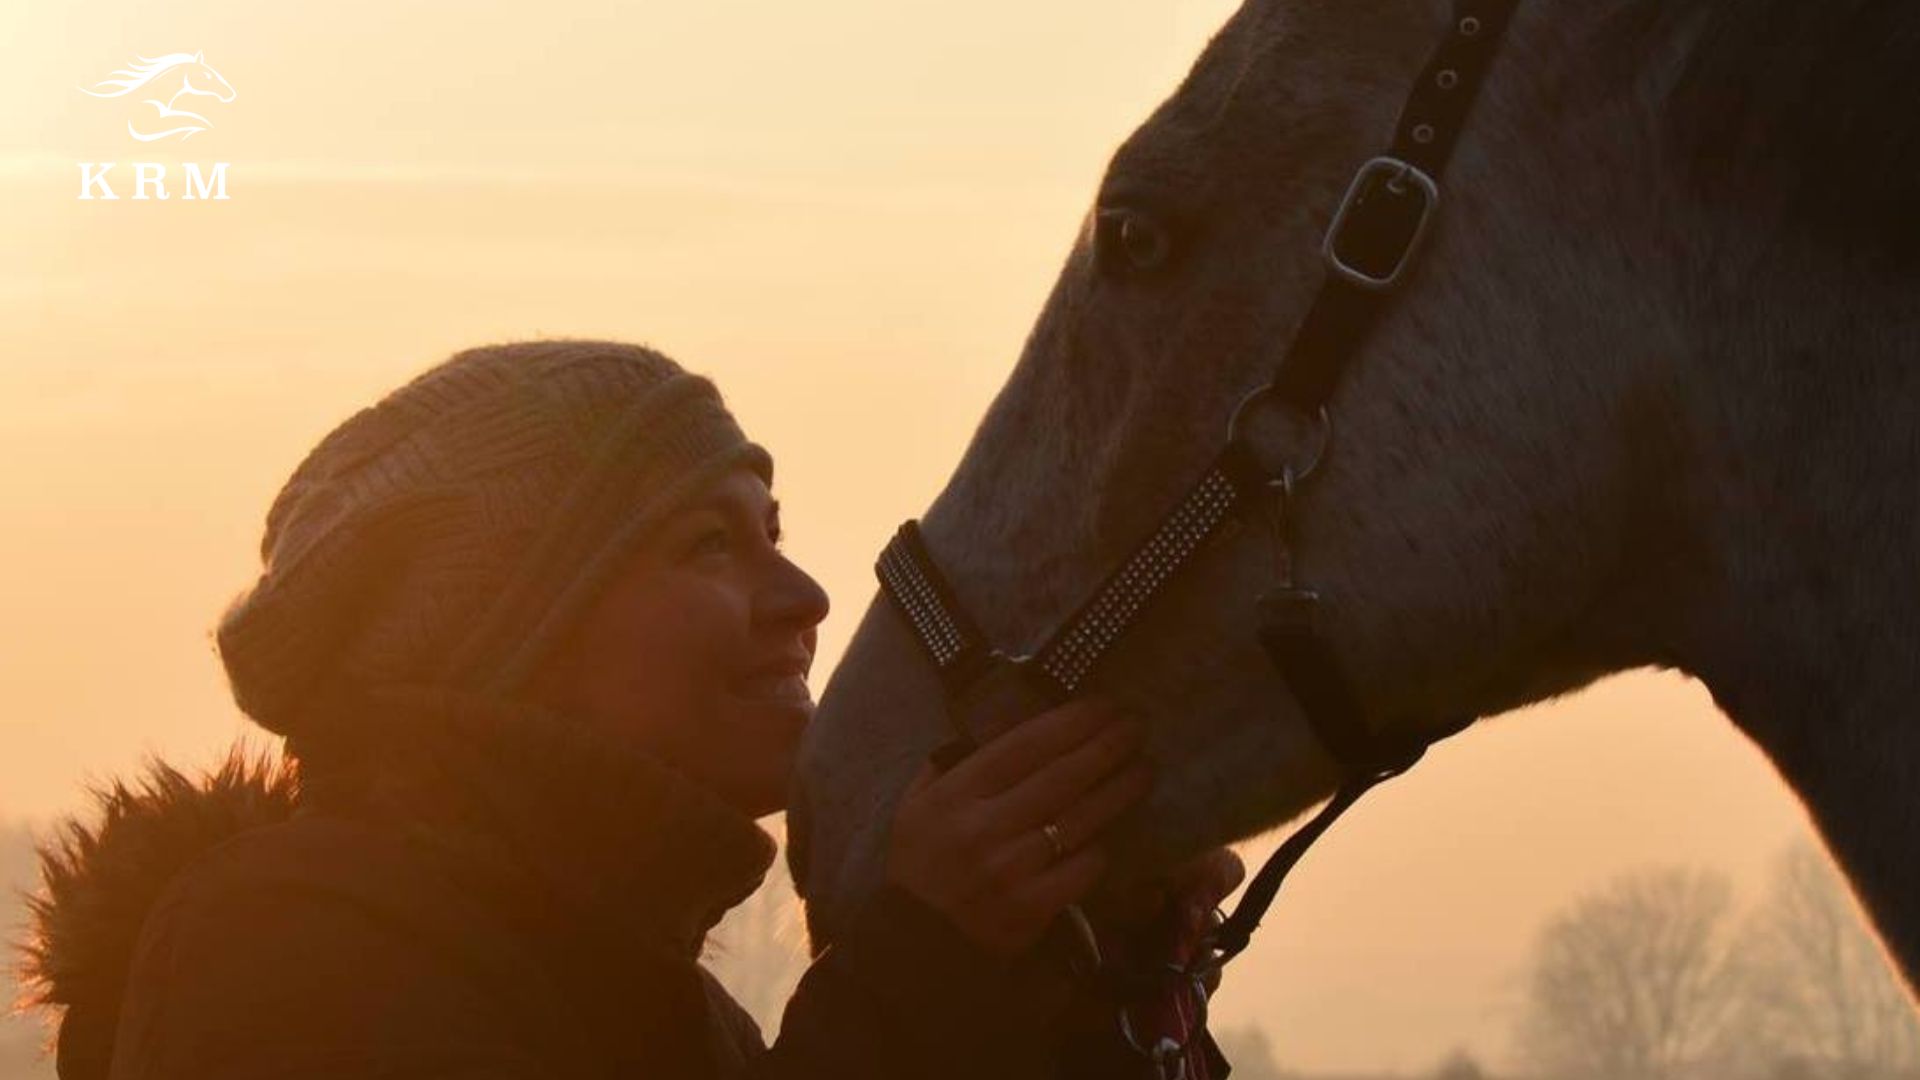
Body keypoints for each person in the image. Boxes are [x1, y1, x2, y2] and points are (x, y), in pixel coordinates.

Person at [22, 340, 1243, 1080]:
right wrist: (925, 964)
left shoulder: (669, 1007)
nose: (807, 597)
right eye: (709, 544)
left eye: (777, 533)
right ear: (508, 632)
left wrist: (1094, 981)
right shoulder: (280, 947)